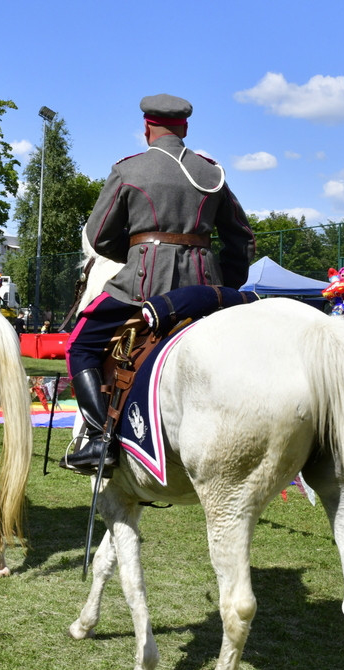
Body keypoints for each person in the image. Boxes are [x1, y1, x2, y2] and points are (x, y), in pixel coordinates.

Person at [63, 94, 255, 474]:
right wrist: (220, 286)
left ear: (147, 128)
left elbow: (99, 236)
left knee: (79, 346)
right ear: (185, 129)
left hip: (141, 289)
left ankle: (102, 439)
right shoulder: (212, 174)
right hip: (205, 288)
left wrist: (137, 256)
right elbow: (242, 239)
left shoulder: (128, 170)